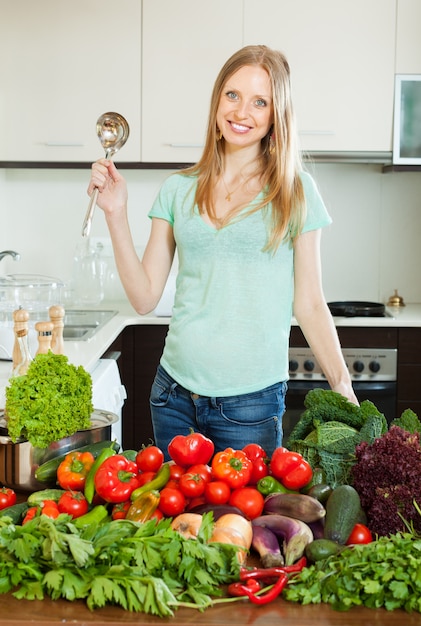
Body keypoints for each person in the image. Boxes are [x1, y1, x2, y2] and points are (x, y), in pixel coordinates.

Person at [88, 44, 358, 458]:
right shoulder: (178, 190)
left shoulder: (296, 191)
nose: (241, 111)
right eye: (232, 95)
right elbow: (144, 298)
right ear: (217, 103)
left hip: (252, 404)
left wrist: (342, 385)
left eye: (259, 102)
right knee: (180, 524)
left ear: (274, 118)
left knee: (243, 524)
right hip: (173, 395)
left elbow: (309, 303)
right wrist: (116, 212)